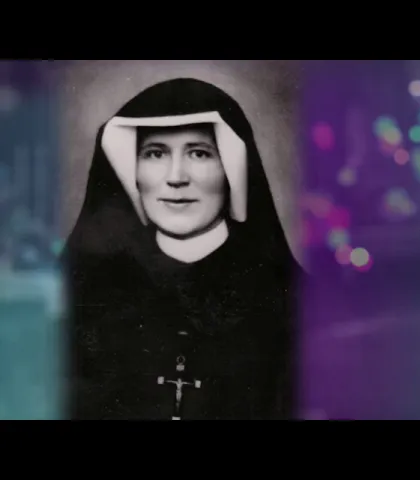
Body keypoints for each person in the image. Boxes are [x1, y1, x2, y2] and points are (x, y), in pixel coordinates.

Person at [63, 78, 300, 420]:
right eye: (155, 153)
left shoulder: (291, 300)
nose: (176, 177)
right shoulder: (82, 294)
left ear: (231, 168)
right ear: (132, 170)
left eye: (199, 153)